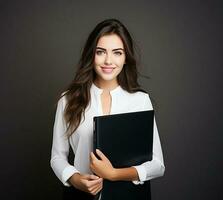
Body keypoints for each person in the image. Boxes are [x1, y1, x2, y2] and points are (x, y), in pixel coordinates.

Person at [50, 18, 165, 200]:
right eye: (101, 52)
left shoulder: (141, 101)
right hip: (80, 196)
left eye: (117, 53)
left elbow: (157, 165)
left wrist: (113, 174)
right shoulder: (68, 99)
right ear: (91, 55)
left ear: (126, 57)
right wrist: (76, 179)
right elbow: (57, 157)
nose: (108, 60)